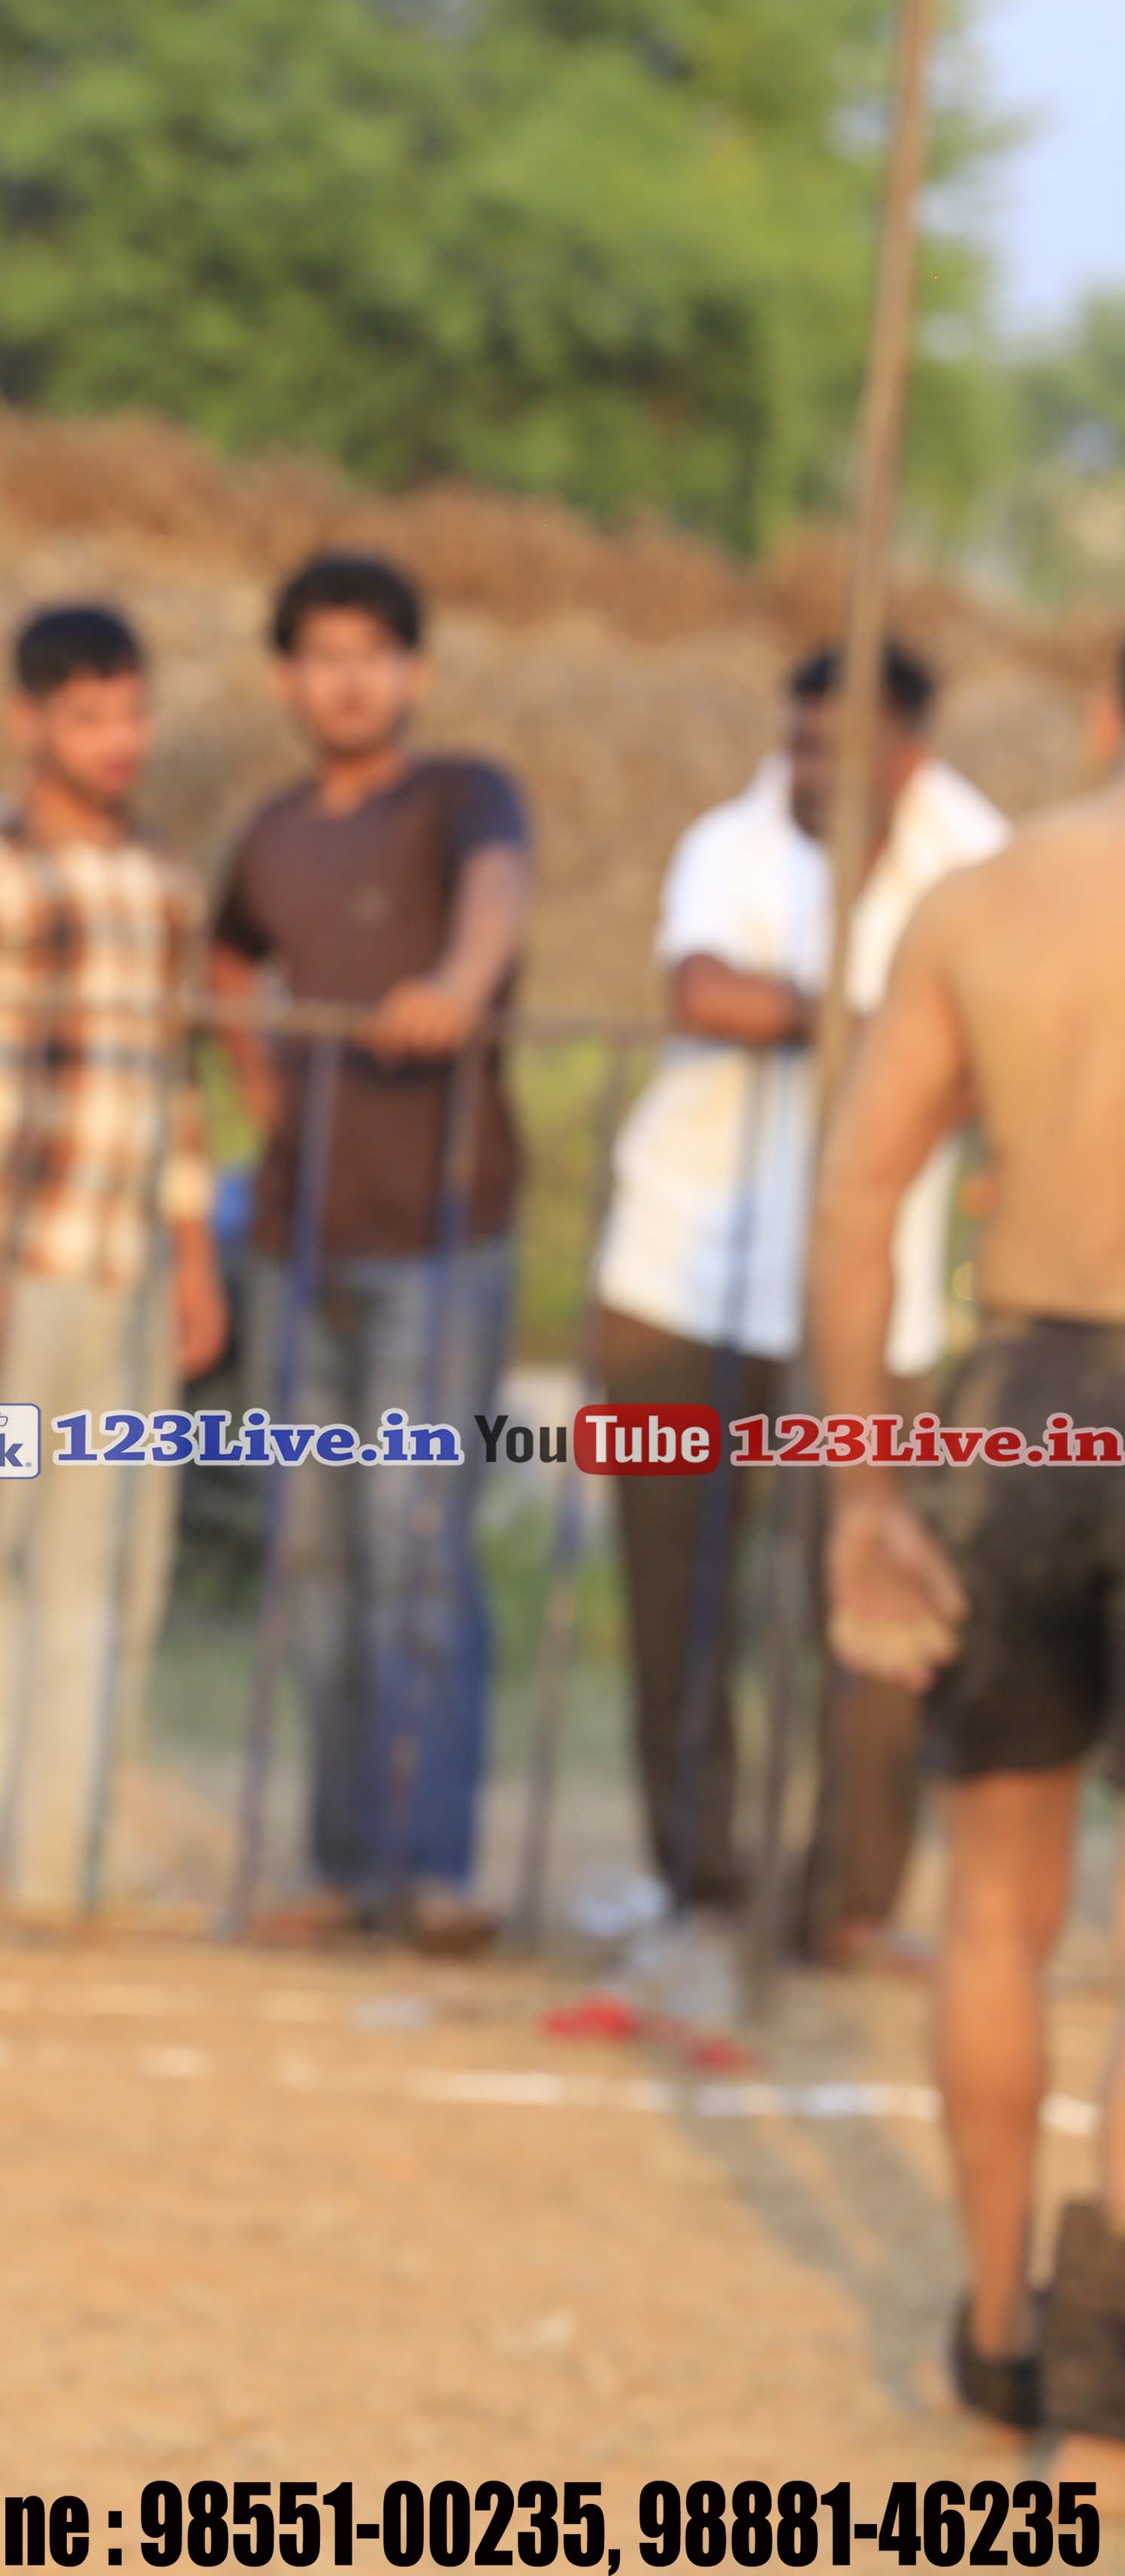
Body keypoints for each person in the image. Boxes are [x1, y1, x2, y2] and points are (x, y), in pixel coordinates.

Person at [815, 635, 1125, 2442]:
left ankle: (1002, 2326)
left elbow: (856, 1198)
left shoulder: (982, 899)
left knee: (995, 1910)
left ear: (1103, 715)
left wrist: (864, 1488)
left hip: (1018, 1403)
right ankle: (1113, 2342)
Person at [591, 642, 1006, 1970]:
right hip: (684, 1271)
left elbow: (990, 1058)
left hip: (876, 1307)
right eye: (802, 739)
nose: (812, 767)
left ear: (909, 752)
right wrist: (885, 1027)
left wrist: (832, 1026)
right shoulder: (734, 840)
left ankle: (851, 1900)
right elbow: (703, 992)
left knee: (883, 1592)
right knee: (678, 1594)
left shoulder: (976, 857)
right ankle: (701, 1880)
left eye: (843, 745)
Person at [0, 605, 233, 1917]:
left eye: (132, 714)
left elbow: (175, 1082)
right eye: (89, 717)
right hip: (7, 1255)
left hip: (124, 1269)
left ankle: (56, 1867)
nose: (118, 741)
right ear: (29, 720)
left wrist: (193, 1258)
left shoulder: (165, 879)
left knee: (105, 1574)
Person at [207, 551, 532, 1950]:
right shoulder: (272, 832)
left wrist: (459, 984)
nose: (347, 680)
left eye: (371, 654)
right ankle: (345, 1863)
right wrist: (261, 1080)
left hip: (440, 1240)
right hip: (298, 1241)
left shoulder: (464, 797)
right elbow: (227, 961)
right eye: (322, 656)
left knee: (418, 1550)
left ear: (414, 670)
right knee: (319, 1562)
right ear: (288, 678)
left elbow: (499, 892)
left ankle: (436, 1867)